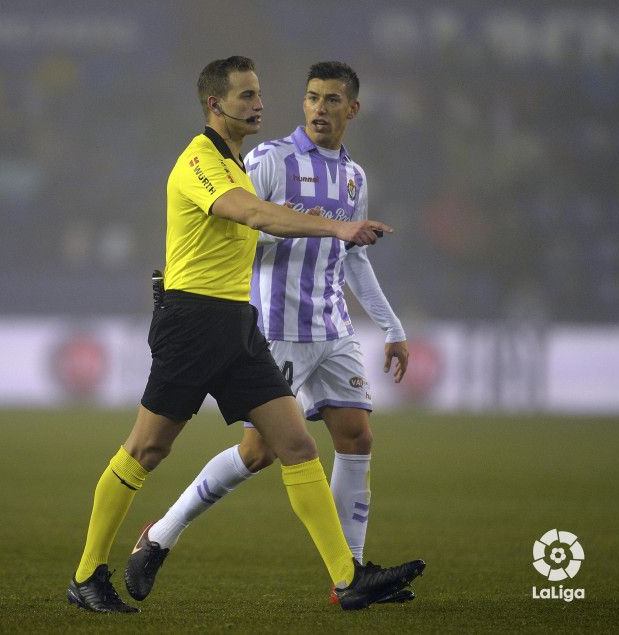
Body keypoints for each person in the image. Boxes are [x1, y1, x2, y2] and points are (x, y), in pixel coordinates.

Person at [65, 56, 423, 614]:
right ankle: (88, 573)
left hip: (237, 323)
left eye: (259, 93)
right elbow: (255, 216)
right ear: (216, 104)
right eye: (246, 95)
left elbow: (257, 223)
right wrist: (337, 227)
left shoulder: (237, 161)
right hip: (192, 323)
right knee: (147, 448)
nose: (260, 103)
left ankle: (347, 578)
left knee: (298, 445)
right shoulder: (201, 159)